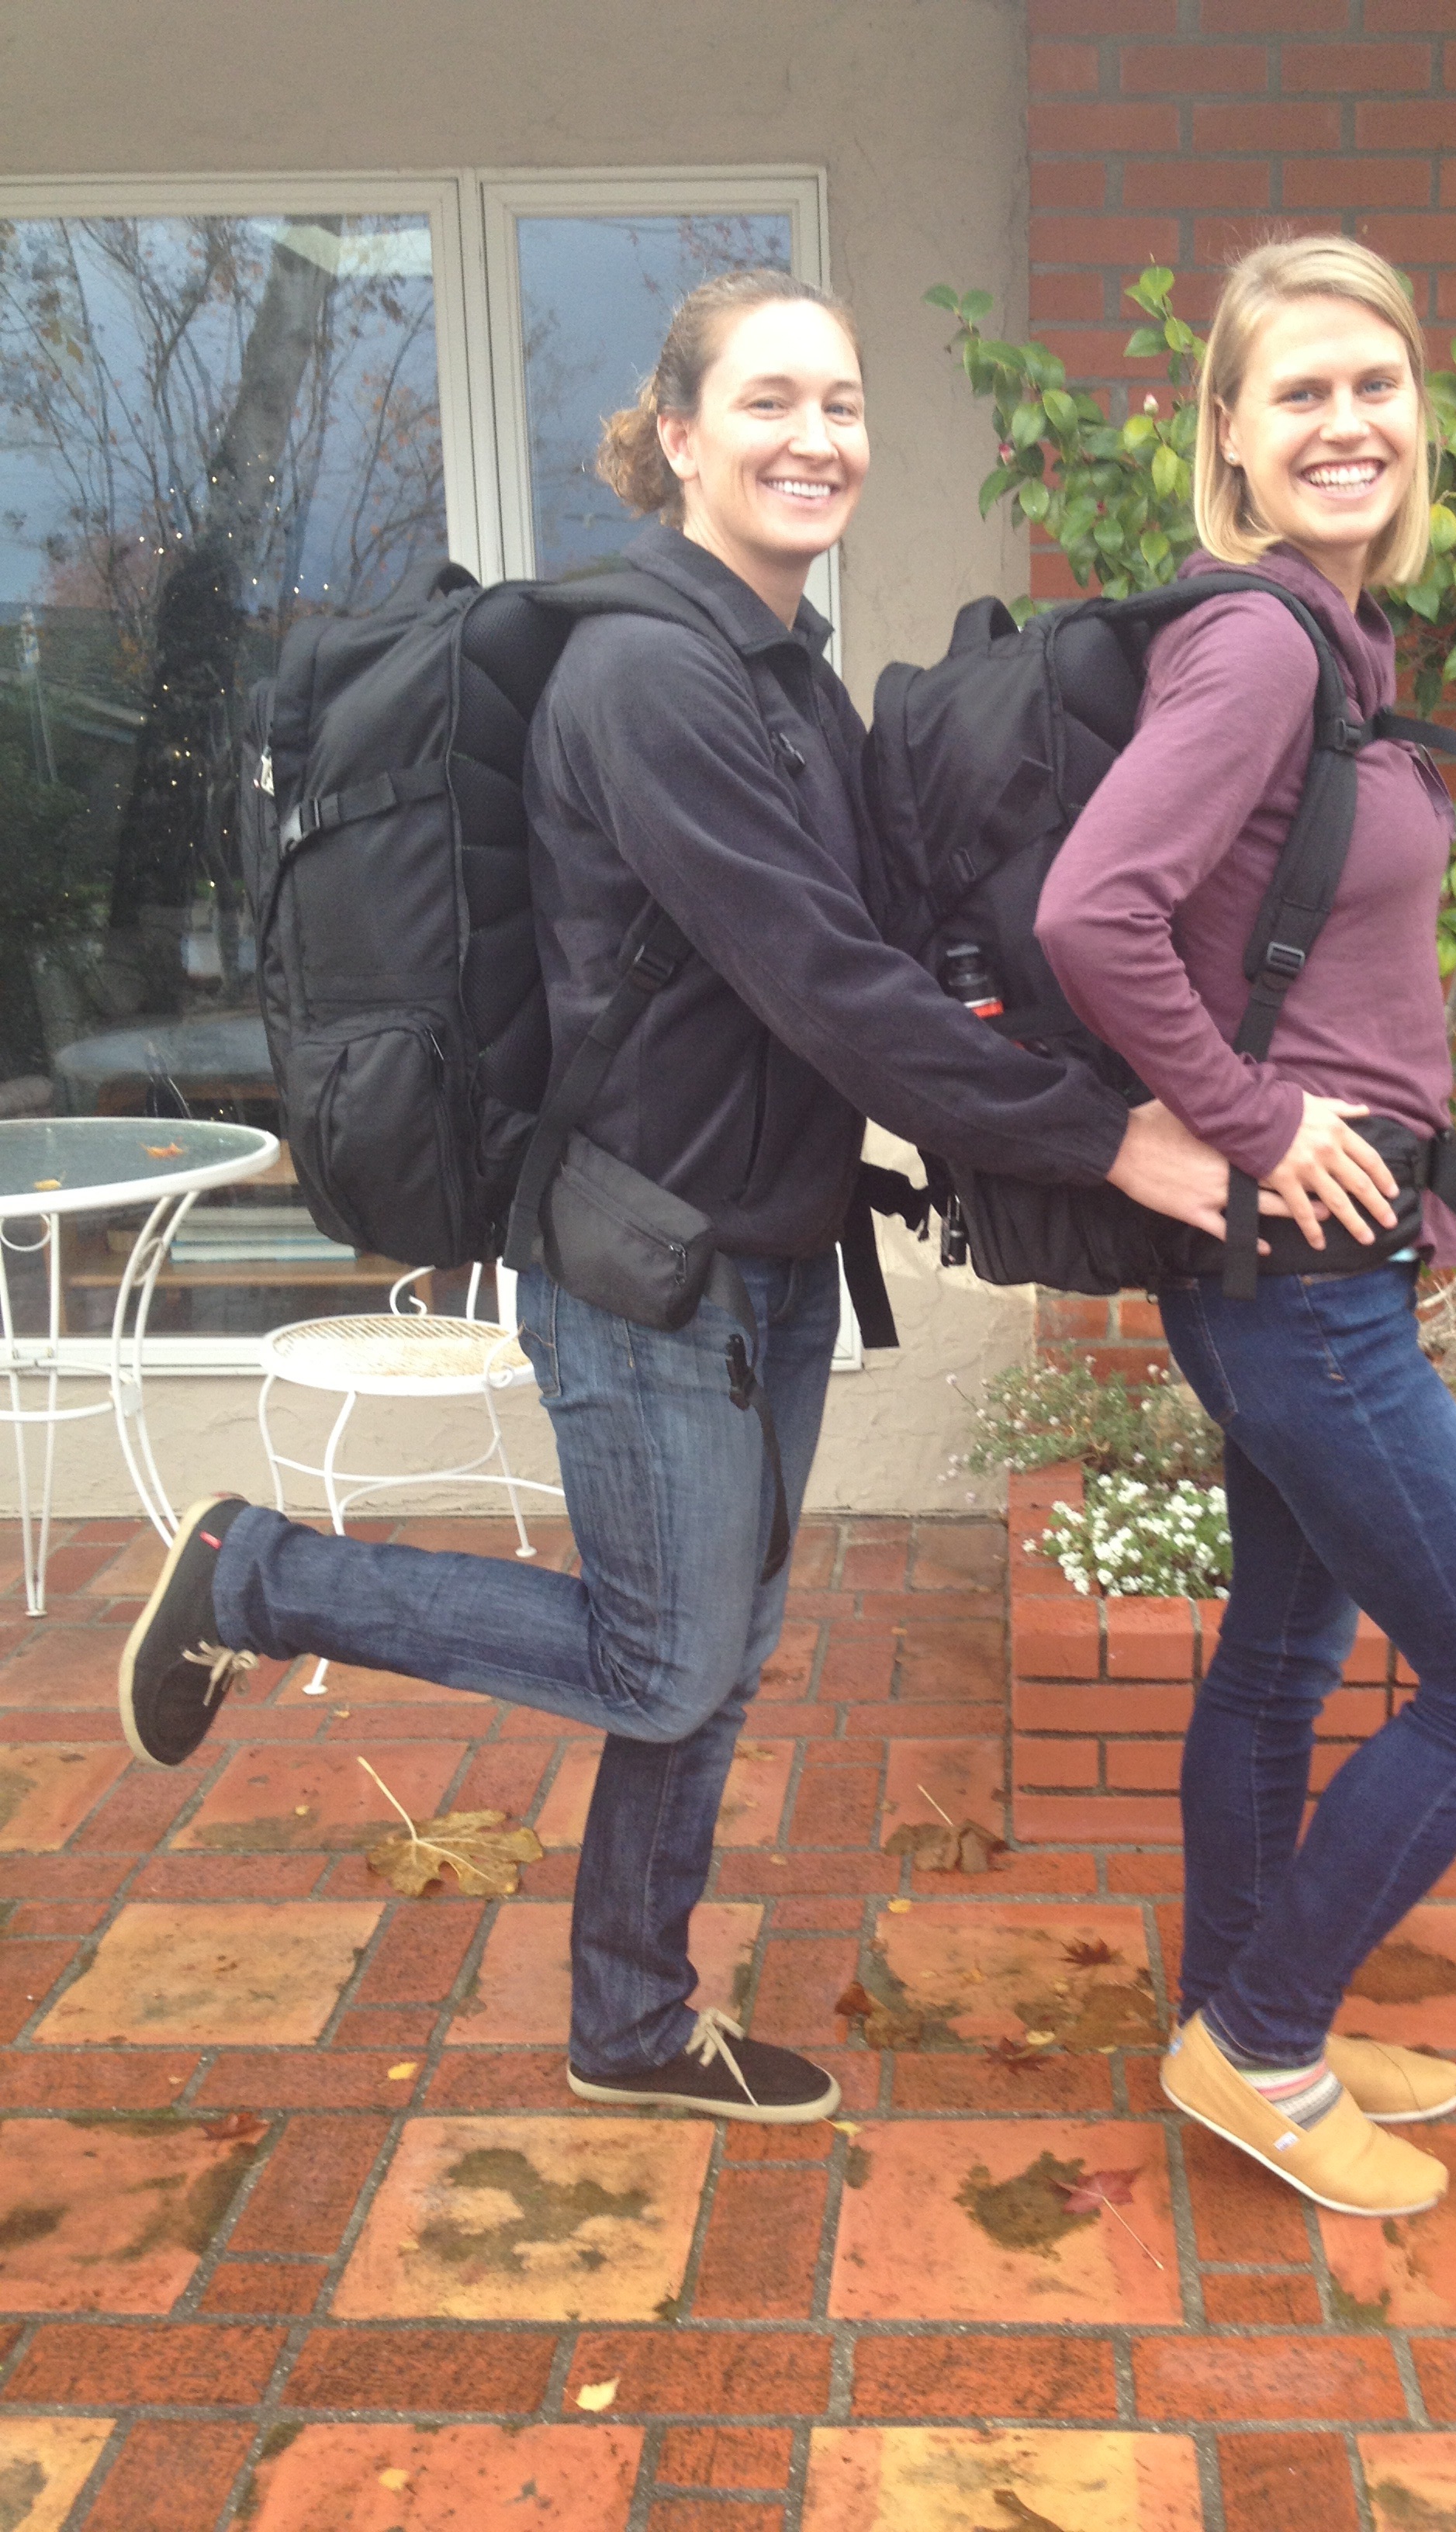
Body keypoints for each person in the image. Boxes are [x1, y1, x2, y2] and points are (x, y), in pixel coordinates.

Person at [117, 268, 1247, 2128]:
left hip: (766, 1247)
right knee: (661, 1660)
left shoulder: (781, 669)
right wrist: (1105, 1140)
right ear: (678, 434)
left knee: (710, 1671)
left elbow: (882, 944)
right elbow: (828, 985)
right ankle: (259, 1575)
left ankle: (632, 2019)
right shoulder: (649, 677)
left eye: (843, 403)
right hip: (649, 1264)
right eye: (771, 401)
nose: (818, 438)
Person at [1036, 236, 1456, 2218]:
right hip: (1298, 1286)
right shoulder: (1265, 645)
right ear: (1232, 439)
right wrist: (1259, 1121)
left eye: (1377, 384)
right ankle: (1261, 2042)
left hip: (1313, 1276)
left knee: (1278, 1660)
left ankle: (1241, 2022)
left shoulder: (1344, 648)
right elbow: (1090, 912)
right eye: (1302, 393)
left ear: (1419, 413)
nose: (1348, 423)